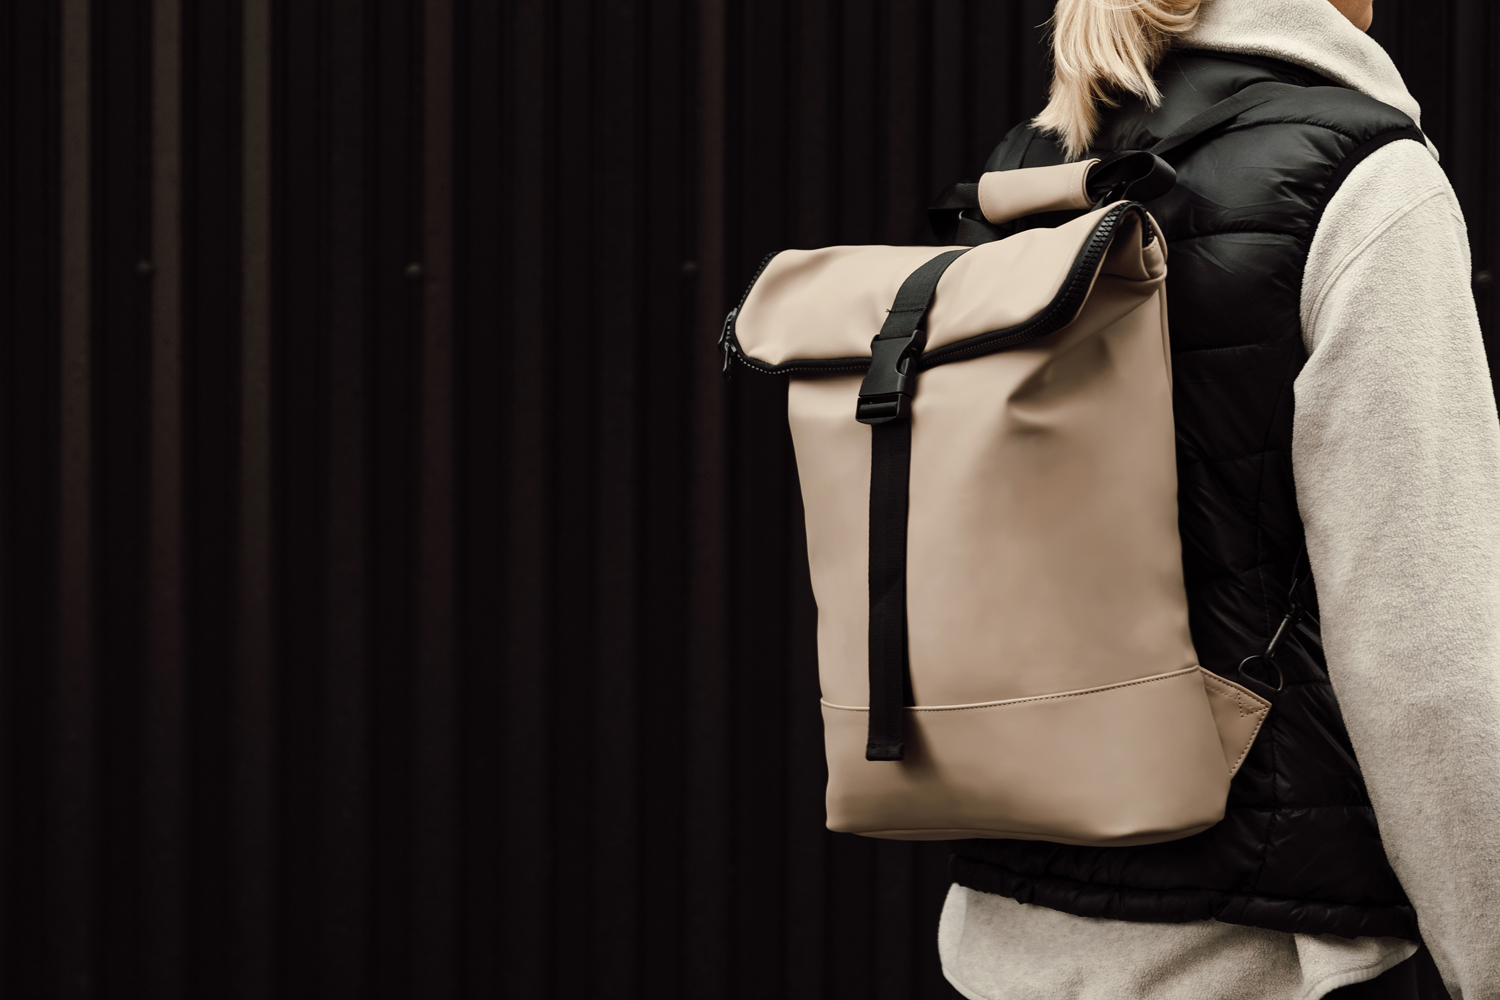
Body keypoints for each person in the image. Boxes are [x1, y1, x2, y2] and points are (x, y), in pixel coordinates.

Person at [936, 0, 1500, 997]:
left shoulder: (1036, 163)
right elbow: (1428, 655)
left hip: (1006, 945)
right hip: (1255, 958)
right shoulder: (1365, 178)